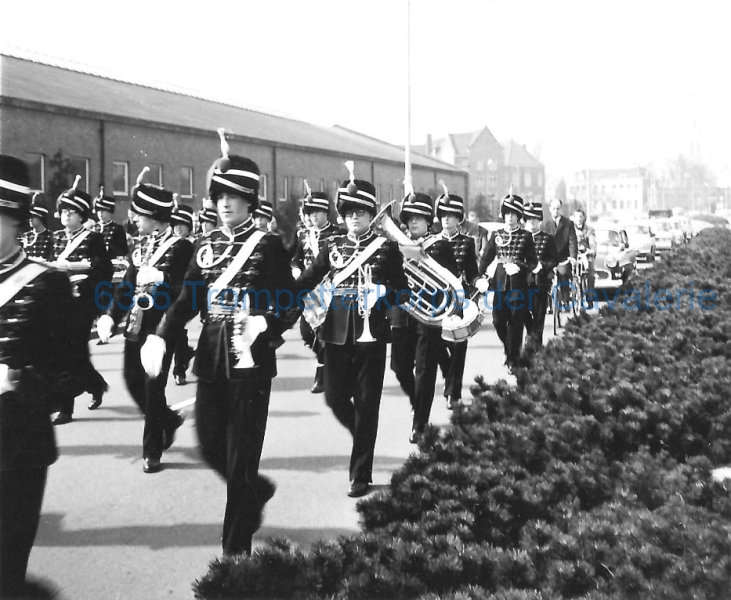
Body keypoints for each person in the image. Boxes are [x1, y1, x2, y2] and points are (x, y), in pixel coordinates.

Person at [141, 129, 298, 556]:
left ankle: (234, 552)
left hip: (251, 360)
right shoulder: (205, 245)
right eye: (219, 196)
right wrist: (160, 336)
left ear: (249, 200)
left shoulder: (267, 246)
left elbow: (292, 302)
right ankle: (254, 492)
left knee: (241, 457)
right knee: (209, 444)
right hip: (211, 357)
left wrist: (266, 323)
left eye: (233, 196)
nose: (224, 203)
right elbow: (186, 300)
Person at [0, 155, 87, 597]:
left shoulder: (45, 283)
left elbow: (74, 370)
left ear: (14, 220)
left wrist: (20, 380)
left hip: (18, 444)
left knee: (7, 564)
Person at [297, 162, 408, 497]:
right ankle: (363, 435)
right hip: (335, 332)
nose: (354, 218)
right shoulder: (332, 246)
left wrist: (383, 292)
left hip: (371, 335)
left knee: (367, 403)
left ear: (371, 214)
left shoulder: (386, 247)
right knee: (334, 398)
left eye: (360, 212)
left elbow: (402, 292)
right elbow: (307, 280)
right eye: (348, 213)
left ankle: (361, 473)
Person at [97, 170, 194, 473]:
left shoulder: (181, 246)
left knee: (154, 388)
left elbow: (187, 292)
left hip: (162, 328)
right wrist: (110, 315)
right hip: (136, 326)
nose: (135, 219)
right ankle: (168, 420)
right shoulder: (140, 247)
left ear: (154, 216)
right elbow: (126, 288)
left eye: (139, 214)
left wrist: (163, 277)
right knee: (131, 380)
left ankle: (152, 452)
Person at [389, 192, 458, 443]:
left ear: (429, 220)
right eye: (409, 218)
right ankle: (416, 401)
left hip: (428, 317)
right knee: (398, 367)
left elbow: (452, 282)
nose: (413, 222)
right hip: (401, 314)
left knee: (425, 371)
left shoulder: (440, 246)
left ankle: (420, 423)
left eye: (419, 217)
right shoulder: (396, 247)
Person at [49, 176, 113, 422]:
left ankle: (65, 408)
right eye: (63, 211)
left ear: (81, 216)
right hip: (58, 303)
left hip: (82, 303)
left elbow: (104, 269)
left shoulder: (92, 238)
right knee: (70, 353)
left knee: (71, 352)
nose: (66, 215)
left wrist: (74, 267)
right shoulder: (55, 238)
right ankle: (95, 385)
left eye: (72, 211)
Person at [290, 186, 343, 393]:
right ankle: (328, 362)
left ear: (325, 212)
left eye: (316, 212)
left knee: (325, 332)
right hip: (309, 290)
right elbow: (296, 259)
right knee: (306, 332)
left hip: (329, 289)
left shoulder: (337, 234)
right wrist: (296, 270)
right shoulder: (303, 234)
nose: (312, 216)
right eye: (309, 212)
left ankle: (322, 375)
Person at [477, 193, 537, 373]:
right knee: (498, 320)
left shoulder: (526, 236)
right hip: (500, 283)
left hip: (518, 285)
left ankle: (513, 360)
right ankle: (508, 347)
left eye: (513, 214)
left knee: (516, 322)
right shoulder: (497, 235)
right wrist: (478, 277)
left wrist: (520, 266)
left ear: (519, 216)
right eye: (507, 213)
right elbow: (486, 258)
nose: (510, 217)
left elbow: (533, 262)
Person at [436, 190, 479, 409]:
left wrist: (478, 281)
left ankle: (453, 393)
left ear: (458, 218)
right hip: (436, 300)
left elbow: (472, 272)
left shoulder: (467, 242)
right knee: (439, 345)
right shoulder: (432, 242)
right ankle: (449, 377)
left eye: (451, 215)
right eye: (443, 215)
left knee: (459, 348)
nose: (446, 219)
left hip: (459, 300)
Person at [523, 202, 558, 348]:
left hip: (540, 281)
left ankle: (537, 346)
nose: (532, 222)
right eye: (529, 219)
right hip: (522, 281)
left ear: (540, 220)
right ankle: (531, 335)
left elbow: (554, 259)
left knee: (539, 314)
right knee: (523, 312)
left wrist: (542, 265)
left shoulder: (547, 238)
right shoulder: (520, 237)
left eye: (535, 219)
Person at [169, 203, 197, 386]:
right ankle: (185, 354)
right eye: (175, 224)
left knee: (178, 330)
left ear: (189, 227)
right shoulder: (168, 244)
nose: (178, 228)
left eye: (182, 224)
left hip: (187, 293)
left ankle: (179, 369)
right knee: (176, 331)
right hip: (168, 294)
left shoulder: (194, 245)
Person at [541, 198, 577, 305]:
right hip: (549, 257)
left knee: (564, 274)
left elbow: (572, 241)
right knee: (545, 276)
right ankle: (547, 302)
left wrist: (573, 257)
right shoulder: (545, 224)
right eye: (553, 208)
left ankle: (565, 299)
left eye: (558, 208)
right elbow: (542, 242)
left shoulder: (568, 224)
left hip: (563, 257)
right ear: (550, 209)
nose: (555, 211)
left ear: (561, 209)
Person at [93, 188, 129, 260]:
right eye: (99, 211)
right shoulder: (93, 228)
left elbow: (123, 251)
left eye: (103, 211)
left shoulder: (117, 229)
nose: (100, 214)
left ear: (109, 212)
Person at [572, 208, 597, 307]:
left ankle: (590, 298)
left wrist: (592, 250)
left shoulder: (589, 230)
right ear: (573, 218)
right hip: (574, 255)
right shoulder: (570, 229)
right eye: (577, 217)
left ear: (584, 218)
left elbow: (592, 242)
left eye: (580, 217)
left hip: (586, 255)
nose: (579, 219)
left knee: (590, 274)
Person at [20, 195, 54, 261]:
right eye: (29, 217)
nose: (30, 219)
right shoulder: (25, 236)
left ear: (40, 218)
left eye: (33, 217)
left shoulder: (51, 236)